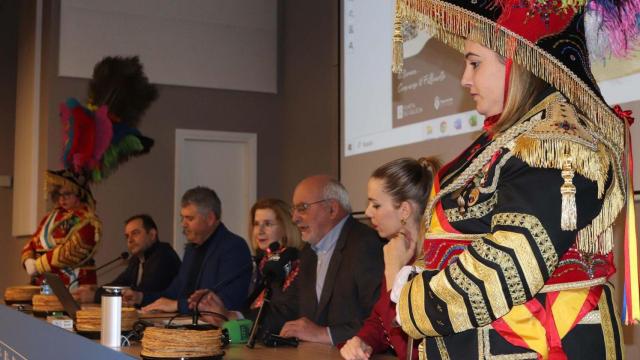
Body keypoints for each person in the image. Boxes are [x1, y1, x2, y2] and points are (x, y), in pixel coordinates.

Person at [387, 0, 636, 358]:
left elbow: (505, 265)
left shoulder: (558, 142)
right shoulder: (511, 141)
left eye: (475, 63)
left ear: (519, 62)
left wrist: (409, 293)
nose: (464, 79)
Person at [340, 158, 436, 360]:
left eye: (376, 205)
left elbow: (412, 350)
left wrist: (393, 272)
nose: (367, 212)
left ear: (404, 211)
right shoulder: (398, 250)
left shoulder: (435, 261)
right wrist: (362, 340)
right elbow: (380, 320)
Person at [279, 175, 384, 345]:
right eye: (294, 210)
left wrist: (325, 334)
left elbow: (380, 319)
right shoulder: (308, 253)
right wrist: (236, 317)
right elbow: (288, 309)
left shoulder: (365, 244)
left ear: (332, 210)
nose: (294, 218)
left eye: (303, 208)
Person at [124, 186, 252, 314]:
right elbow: (173, 293)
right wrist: (141, 297)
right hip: (187, 326)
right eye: (182, 218)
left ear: (210, 219)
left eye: (189, 218)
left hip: (217, 331)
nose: (183, 224)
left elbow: (226, 302)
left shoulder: (234, 247)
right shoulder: (192, 250)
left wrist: (178, 305)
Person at [189, 198, 303, 338]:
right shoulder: (259, 264)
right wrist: (218, 307)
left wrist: (231, 316)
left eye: (268, 224)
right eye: (256, 224)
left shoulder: (294, 265)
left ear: (286, 228)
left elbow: (282, 315)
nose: (259, 231)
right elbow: (247, 308)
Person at [72, 214, 181, 304]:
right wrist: (96, 290)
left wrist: (95, 296)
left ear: (152, 234)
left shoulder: (164, 256)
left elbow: (139, 293)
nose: (130, 240)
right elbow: (119, 284)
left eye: (135, 233)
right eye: (127, 236)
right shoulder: (137, 259)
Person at [21, 171, 101, 288]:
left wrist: (38, 265)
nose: (62, 199)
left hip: (76, 282)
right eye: (59, 195)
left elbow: (72, 250)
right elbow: (33, 242)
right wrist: (28, 260)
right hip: (45, 280)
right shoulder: (50, 217)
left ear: (79, 194)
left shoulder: (88, 219)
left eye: (67, 194)